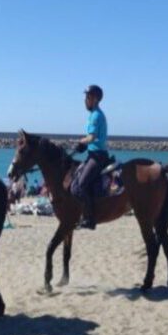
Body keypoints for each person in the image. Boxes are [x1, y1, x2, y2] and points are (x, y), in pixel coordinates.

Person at [74, 84, 109, 230]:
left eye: (87, 97)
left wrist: (80, 142)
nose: (85, 100)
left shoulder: (95, 115)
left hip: (98, 156)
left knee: (81, 185)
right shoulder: (94, 114)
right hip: (92, 154)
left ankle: (90, 218)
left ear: (94, 99)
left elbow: (92, 137)